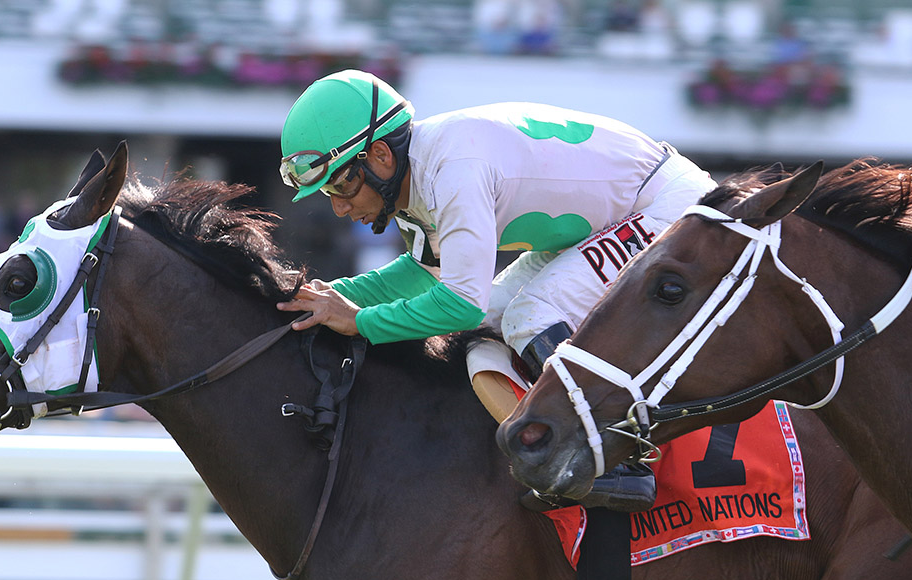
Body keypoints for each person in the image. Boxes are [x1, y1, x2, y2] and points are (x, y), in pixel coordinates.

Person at [275, 69, 716, 511]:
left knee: (530, 317)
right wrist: (329, 295)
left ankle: (619, 464)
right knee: (488, 331)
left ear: (380, 156)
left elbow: (462, 303)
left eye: (342, 183)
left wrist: (357, 321)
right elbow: (425, 275)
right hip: (609, 221)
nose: (338, 205)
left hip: (668, 207)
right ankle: (548, 449)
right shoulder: (417, 177)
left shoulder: (452, 171)